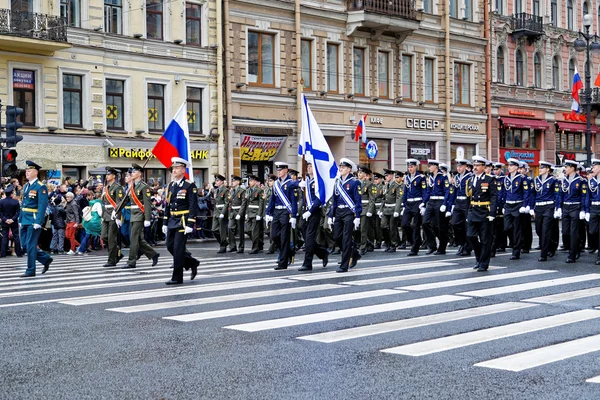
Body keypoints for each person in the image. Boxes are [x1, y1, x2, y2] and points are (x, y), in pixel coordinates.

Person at [161, 157, 200, 284]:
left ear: (183, 170)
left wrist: (190, 223)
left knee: (178, 249)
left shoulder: (189, 185)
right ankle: (192, 262)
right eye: (173, 168)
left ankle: (177, 277)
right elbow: (167, 205)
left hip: (183, 221)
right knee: (169, 246)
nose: (174, 170)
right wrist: (165, 222)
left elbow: (192, 205)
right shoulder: (171, 186)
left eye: (177, 168)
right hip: (172, 220)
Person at [18, 160, 53, 277]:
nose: (26, 172)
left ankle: (30, 270)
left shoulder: (40, 187)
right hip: (24, 219)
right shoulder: (27, 186)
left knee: (31, 245)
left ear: (36, 172)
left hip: (33, 220)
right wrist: (20, 219)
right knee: (25, 245)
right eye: (26, 170)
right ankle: (45, 258)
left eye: (29, 170)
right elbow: (24, 204)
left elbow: (42, 205)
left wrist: (38, 221)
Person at [122, 163, 160, 269]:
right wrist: (116, 211)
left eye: (134, 172)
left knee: (133, 238)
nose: (132, 174)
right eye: (132, 172)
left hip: (139, 214)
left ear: (139, 174)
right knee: (138, 239)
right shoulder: (132, 186)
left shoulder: (144, 186)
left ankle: (131, 261)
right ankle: (153, 254)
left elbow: (147, 204)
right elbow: (125, 201)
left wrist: (147, 218)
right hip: (133, 215)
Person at [329, 158, 361, 272]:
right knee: (337, 237)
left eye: (343, 167)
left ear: (349, 169)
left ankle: (344, 264)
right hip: (338, 212)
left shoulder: (354, 182)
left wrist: (357, 216)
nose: (341, 169)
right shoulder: (337, 182)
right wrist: (330, 215)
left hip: (348, 212)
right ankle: (354, 253)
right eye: (340, 167)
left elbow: (358, 200)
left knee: (346, 238)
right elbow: (334, 200)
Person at [466, 156, 498, 272]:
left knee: (485, 240)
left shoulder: (490, 179)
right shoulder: (470, 180)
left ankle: (483, 263)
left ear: (483, 167)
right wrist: (467, 214)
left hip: (485, 212)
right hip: (473, 211)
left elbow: (494, 197)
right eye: (474, 165)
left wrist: (492, 213)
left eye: (478, 165)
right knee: (471, 236)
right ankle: (479, 257)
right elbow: (467, 198)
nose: (475, 168)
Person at [265, 162, 298, 270]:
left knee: (284, 237)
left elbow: (293, 201)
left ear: (286, 171)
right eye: (277, 170)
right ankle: (288, 251)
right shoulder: (276, 184)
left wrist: (293, 215)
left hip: (285, 213)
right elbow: (272, 200)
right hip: (276, 212)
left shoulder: (290, 183)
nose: (278, 172)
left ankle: (283, 262)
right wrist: (268, 213)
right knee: (274, 236)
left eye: (280, 170)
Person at [299, 162, 328, 271]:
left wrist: (311, 211)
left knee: (310, 237)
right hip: (305, 211)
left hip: (314, 211)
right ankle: (322, 253)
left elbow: (319, 198)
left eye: (311, 166)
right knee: (305, 236)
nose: (309, 168)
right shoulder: (305, 180)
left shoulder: (319, 180)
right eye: (308, 166)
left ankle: (307, 263)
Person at [557, 159, 588, 263]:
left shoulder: (581, 181)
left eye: (566, 167)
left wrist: (583, 210)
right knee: (565, 232)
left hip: (575, 207)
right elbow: (560, 195)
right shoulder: (563, 180)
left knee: (573, 232)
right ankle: (577, 245)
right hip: (566, 207)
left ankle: (572, 255)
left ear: (572, 168)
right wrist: (559, 208)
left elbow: (584, 196)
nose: (565, 169)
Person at [532, 161, 560, 262]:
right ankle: (552, 243)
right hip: (539, 207)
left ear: (548, 169)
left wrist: (557, 208)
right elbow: (533, 195)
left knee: (545, 230)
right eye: (540, 168)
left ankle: (543, 254)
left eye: (542, 168)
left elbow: (557, 195)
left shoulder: (553, 180)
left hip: (549, 206)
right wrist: (532, 208)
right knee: (539, 230)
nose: (540, 169)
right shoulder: (536, 180)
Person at [503, 158, 530, 260]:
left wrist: (525, 205)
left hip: (518, 205)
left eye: (511, 166)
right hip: (508, 205)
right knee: (507, 228)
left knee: (517, 229)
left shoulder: (522, 178)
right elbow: (504, 192)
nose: (509, 167)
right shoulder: (506, 178)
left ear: (516, 167)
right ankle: (516, 242)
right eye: (508, 165)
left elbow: (526, 193)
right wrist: (503, 205)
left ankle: (516, 251)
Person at [422, 159, 450, 255]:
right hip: (431, 201)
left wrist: (444, 204)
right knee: (425, 222)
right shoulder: (430, 177)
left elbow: (447, 191)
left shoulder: (443, 177)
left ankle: (442, 248)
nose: (428, 167)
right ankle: (432, 245)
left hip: (439, 201)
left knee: (440, 226)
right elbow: (428, 191)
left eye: (430, 166)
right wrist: (423, 202)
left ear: (435, 167)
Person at [402, 159, 427, 256]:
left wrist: (423, 203)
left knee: (416, 226)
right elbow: (406, 191)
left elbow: (424, 191)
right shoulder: (407, 178)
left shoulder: (421, 178)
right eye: (408, 167)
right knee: (404, 224)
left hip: (417, 203)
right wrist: (404, 204)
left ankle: (414, 248)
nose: (410, 169)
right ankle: (415, 241)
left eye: (411, 167)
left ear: (416, 167)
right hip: (409, 204)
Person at [101, 167, 125, 267]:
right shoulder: (106, 187)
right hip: (106, 214)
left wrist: (118, 216)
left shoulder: (118, 187)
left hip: (113, 214)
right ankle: (117, 253)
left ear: (114, 176)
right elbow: (104, 203)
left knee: (111, 238)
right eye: (106, 175)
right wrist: (102, 215)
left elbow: (119, 203)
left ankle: (111, 260)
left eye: (109, 174)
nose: (107, 176)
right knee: (104, 236)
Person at [451, 159, 473, 256]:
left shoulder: (470, 177)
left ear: (465, 166)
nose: (458, 168)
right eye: (457, 166)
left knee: (466, 225)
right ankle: (461, 243)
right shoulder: (456, 177)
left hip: (466, 202)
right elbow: (454, 191)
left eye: (460, 166)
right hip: (458, 202)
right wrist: (451, 204)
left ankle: (467, 247)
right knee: (455, 223)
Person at [379, 169, 402, 252]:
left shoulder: (396, 185)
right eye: (385, 176)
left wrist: (397, 210)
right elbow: (383, 199)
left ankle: (393, 244)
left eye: (387, 175)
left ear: (392, 176)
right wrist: (381, 210)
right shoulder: (385, 186)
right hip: (386, 209)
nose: (386, 177)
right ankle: (387, 242)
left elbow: (399, 198)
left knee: (392, 228)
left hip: (393, 209)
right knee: (383, 226)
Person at [243, 174, 265, 254]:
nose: (250, 182)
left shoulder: (259, 190)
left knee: (255, 232)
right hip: (249, 212)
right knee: (248, 230)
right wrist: (246, 213)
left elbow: (261, 202)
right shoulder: (248, 190)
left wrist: (259, 214)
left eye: (251, 181)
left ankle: (255, 248)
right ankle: (259, 243)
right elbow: (246, 202)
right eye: (249, 181)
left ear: (255, 182)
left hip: (256, 213)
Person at [0, 185, 22, 258]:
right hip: (14, 221)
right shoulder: (15, 202)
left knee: (5, 237)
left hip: (5, 221)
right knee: (16, 236)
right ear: (11, 194)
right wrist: (12, 219)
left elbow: (0, 213)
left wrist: (5, 219)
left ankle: (3, 253)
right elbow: (18, 212)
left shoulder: (1, 202)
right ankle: (18, 252)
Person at [357, 165, 375, 256]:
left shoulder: (369, 184)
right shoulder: (355, 183)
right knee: (357, 228)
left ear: (365, 175)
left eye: (361, 173)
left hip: (365, 207)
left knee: (363, 229)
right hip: (357, 208)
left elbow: (372, 199)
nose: (359, 174)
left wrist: (370, 210)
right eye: (358, 172)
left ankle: (363, 246)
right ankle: (366, 242)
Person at [227, 175, 246, 253]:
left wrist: (240, 213)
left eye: (234, 181)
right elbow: (230, 201)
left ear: (238, 182)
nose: (233, 182)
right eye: (232, 181)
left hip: (239, 211)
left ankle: (241, 247)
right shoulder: (232, 191)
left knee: (240, 230)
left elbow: (243, 203)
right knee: (230, 228)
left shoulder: (242, 191)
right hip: (233, 212)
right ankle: (232, 246)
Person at [587, 159, 600, 265]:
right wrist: (587, 211)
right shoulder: (591, 181)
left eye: (594, 167)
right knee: (592, 231)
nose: (592, 169)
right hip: (594, 208)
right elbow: (588, 196)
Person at [212, 174, 229, 253]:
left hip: (222, 212)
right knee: (214, 229)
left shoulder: (225, 190)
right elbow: (215, 201)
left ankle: (222, 246)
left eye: (218, 180)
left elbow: (226, 203)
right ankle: (224, 242)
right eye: (216, 180)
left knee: (222, 231)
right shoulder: (216, 190)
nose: (216, 182)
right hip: (216, 212)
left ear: (222, 182)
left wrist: (223, 213)